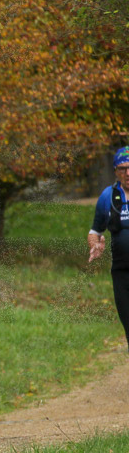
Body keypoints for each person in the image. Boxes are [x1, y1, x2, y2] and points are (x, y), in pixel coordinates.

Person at [87, 146, 129, 353]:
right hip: (122, 273)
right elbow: (95, 230)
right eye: (123, 169)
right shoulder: (108, 196)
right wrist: (95, 244)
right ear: (116, 171)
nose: (128, 173)